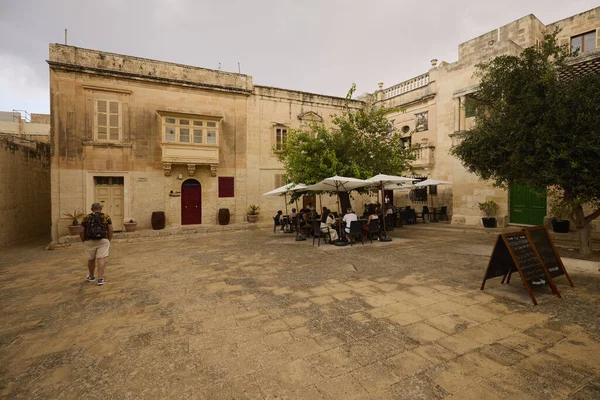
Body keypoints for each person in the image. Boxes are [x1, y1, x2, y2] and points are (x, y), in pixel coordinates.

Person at [80, 203, 113, 286]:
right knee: (101, 258)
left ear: (91, 209)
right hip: (103, 240)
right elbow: (110, 229)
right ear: (101, 209)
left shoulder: (86, 218)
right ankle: (100, 279)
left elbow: (81, 231)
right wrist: (108, 239)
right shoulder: (106, 217)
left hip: (89, 240)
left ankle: (91, 276)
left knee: (91, 259)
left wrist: (83, 240)